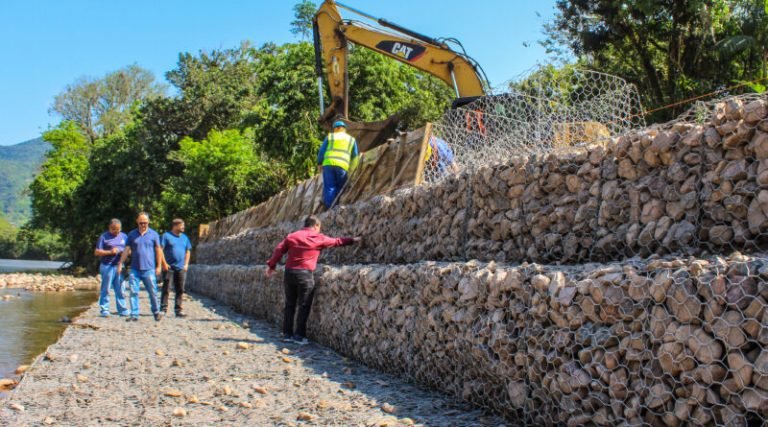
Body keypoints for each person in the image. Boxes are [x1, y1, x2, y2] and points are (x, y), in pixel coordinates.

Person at [266, 215, 360, 345]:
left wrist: (271, 266)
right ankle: (299, 336)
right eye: (319, 228)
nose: (319, 230)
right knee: (303, 305)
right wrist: (353, 240)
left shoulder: (292, 236)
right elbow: (337, 241)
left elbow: (278, 250)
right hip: (305, 274)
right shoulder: (318, 237)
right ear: (316, 225)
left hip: (289, 274)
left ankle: (287, 334)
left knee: (290, 304)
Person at [118, 212, 164, 322]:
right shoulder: (132, 235)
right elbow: (126, 250)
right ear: (137, 222)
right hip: (135, 268)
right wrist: (120, 263)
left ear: (148, 223)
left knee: (152, 291)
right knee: (133, 291)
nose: (143, 225)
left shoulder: (154, 234)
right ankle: (134, 314)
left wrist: (159, 266)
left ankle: (156, 312)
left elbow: (158, 250)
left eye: (145, 223)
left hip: (149, 268)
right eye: (141, 223)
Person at [317, 120, 359, 209]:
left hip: (328, 164)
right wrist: (353, 171)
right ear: (344, 129)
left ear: (335, 129)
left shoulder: (330, 136)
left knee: (330, 186)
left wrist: (319, 163)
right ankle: (338, 206)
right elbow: (355, 157)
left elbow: (322, 151)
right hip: (342, 165)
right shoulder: (351, 139)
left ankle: (329, 208)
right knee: (341, 186)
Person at [93, 219, 128, 317]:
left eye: (117, 230)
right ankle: (104, 309)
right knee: (106, 288)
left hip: (120, 265)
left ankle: (122, 309)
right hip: (107, 265)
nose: (115, 232)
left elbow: (129, 251)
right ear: (109, 228)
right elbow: (97, 252)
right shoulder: (104, 237)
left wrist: (123, 252)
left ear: (120, 228)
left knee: (121, 288)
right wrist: (110, 252)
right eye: (113, 229)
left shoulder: (124, 236)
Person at [160, 218, 192, 317]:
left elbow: (188, 251)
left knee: (180, 289)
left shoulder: (185, 238)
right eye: (182, 225)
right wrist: (164, 263)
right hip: (169, 267)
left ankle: (178, 310)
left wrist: (186, 264)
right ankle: (163, 309)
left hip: (180, 267)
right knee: (166, 288)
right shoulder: (166, 236)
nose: (183, 227)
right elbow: (160, 250)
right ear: (175, 226)